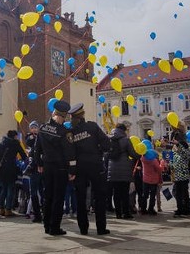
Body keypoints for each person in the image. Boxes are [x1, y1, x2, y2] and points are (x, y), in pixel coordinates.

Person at [35, 100, 76, 236]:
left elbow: (37, 149)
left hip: (47, 167)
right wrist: (72, 170)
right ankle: (54, 227)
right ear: (62, 116)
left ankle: (47, 226)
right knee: (58, 198)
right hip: (60, 169)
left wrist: (39, 164)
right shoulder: (64, 131)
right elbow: (70, 153)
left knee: (48, 197)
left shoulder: (42, 128)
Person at [69, 103, 111, 235]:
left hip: (79, 168)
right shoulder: (92, 126)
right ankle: (101, 227)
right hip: (95, 166)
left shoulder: (71, 132)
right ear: (83, 115)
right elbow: (106, 144)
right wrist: (97, 150)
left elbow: (70, 152)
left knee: (80, 198)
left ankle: (83, 228)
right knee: (99, 197)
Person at [107, 122, 139, 220]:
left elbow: (106, 153)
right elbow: (132, 153)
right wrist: (139, 155)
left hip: (112, 170)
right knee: (124, 193)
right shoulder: (126, 140)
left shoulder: (109, 139)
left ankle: (118, 214)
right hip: (124, 170)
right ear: (124, 130)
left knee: (116, 193)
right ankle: (126, 213)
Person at [0, 130, 27, 216]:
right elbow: (23, 155)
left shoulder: (1, 143)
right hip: (11, 168)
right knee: (10, 188)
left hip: (2, 169)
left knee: (3, 189)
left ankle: (1, 208)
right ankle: (8, 209)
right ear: (14, 136)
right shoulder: (15, 143)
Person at [24, 121, 43, 223]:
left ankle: (41, 213)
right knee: (34, 192)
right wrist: (33, 137)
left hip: (39, 168)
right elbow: (28, 142)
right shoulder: (30, 137)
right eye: (32, 128)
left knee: (39, 191)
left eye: (36, 127)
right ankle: (37, 214)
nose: (34, 129)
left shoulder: (41, 137)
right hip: (34, 168)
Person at [170, 139, 190, 216]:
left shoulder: (186, 152)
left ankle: (187, 209)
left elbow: (185, 153)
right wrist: (170, 165)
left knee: (184, 193)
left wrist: (179, 144)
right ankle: (180, 208)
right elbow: (172, 161)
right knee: (177, 194)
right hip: (176, 177)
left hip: (183, 176)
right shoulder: (175, 153)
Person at [141, 148, 164, 215]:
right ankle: (151, 209)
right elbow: (159, 170)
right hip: (153, 180)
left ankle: (143, 209)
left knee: (145, 195)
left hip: (145, 179)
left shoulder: (143, 158)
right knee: (152, 195)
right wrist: (162, 163)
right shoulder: (153, 161)